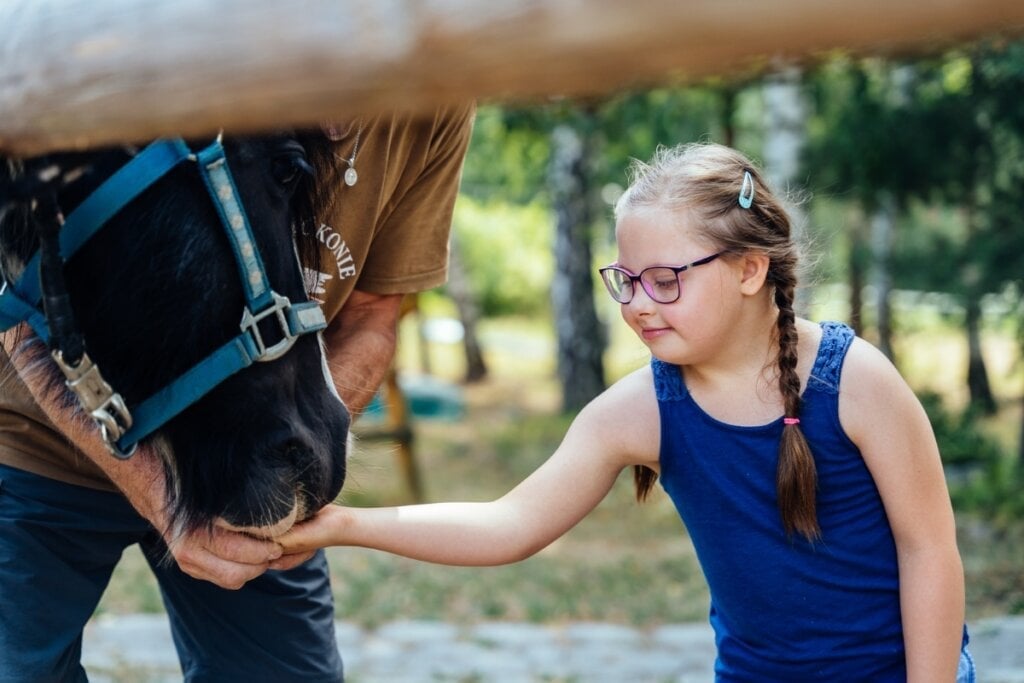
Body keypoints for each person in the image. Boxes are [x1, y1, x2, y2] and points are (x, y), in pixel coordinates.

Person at [279, 142, 974, 682]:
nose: (638, 303)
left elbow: (929, 550)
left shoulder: (856, 383)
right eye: (626, 281)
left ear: (748, 270)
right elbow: (511, 523)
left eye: (665, 280)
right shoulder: (641, 410)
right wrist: (343, 524)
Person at [0, 103, 475, 682]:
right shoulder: (167, 42)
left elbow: (373, 314)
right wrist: (161, 494)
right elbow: (21, 311)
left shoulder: (439, 93)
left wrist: (299, 447)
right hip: (39, 441)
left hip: (249, 445)